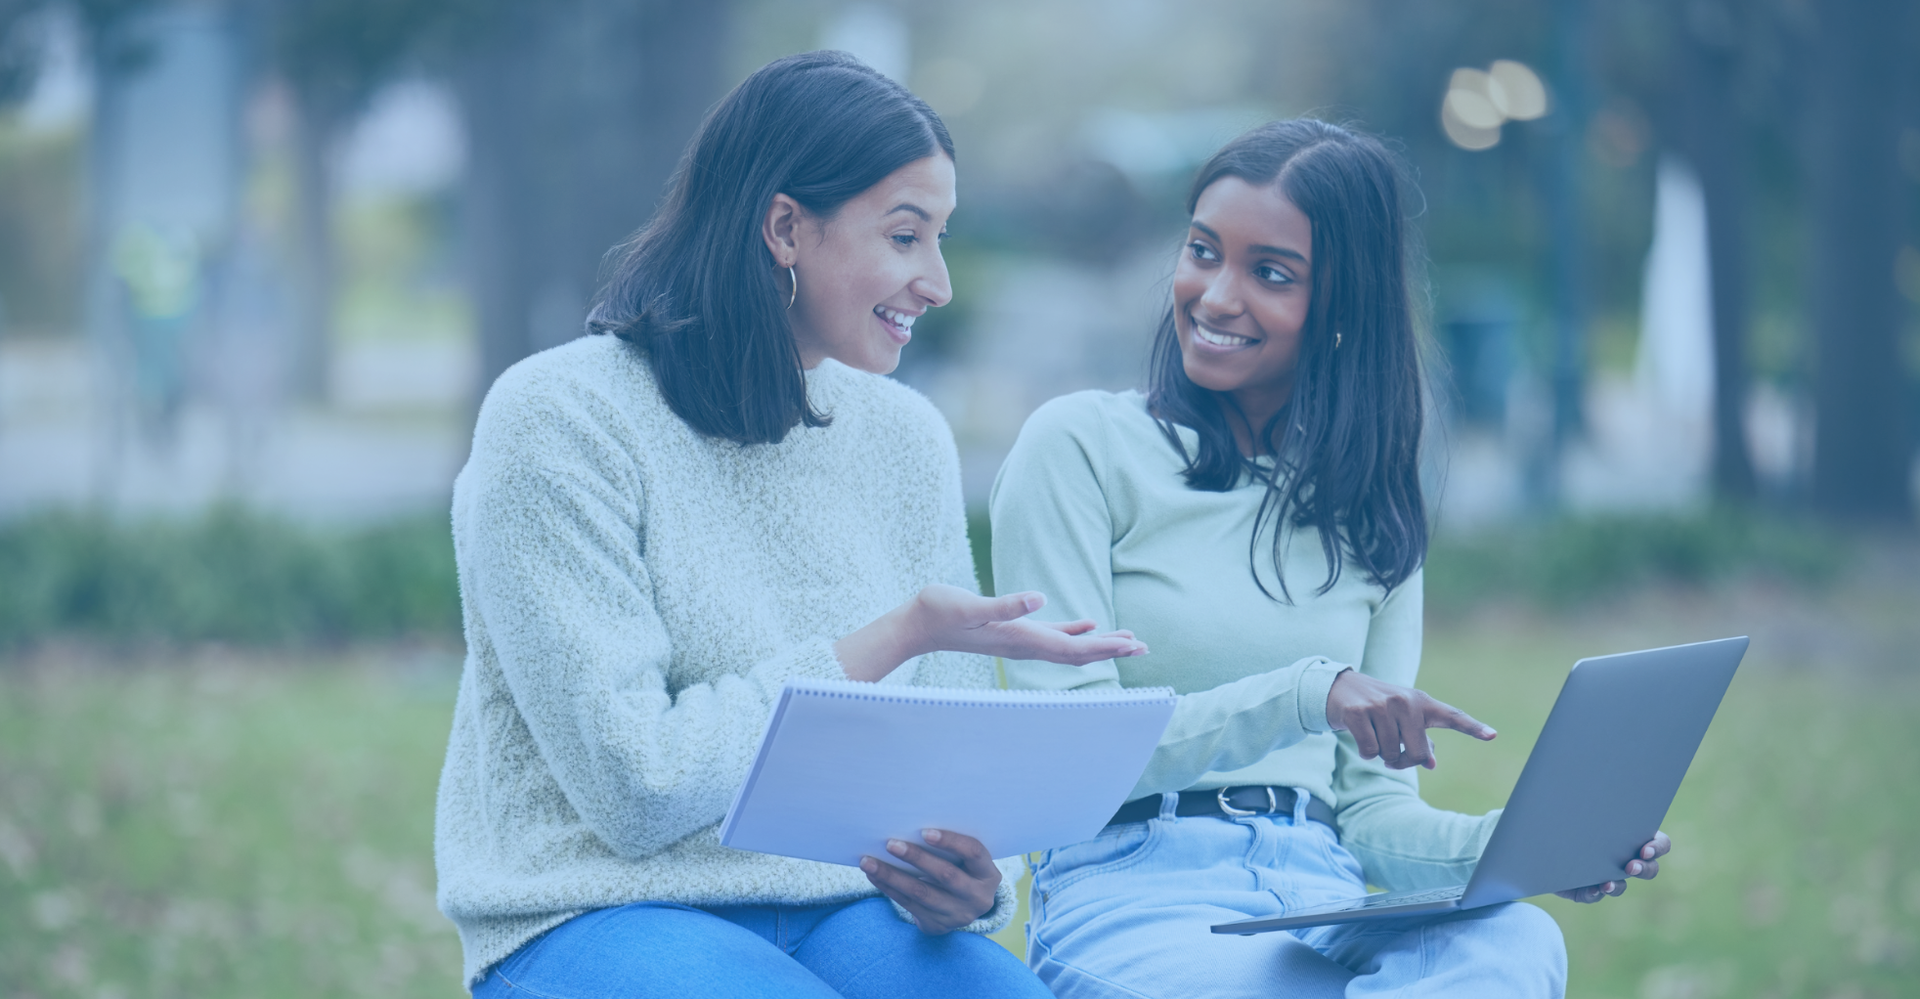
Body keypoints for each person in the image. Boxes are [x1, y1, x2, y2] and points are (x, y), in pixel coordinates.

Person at [435, 51, 1146, 999]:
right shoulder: (560, 418)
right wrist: (893, 638)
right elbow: (635, 787)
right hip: (598, 906)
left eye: (941, 237)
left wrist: (971, 880)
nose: (935, 281)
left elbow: (947, 763)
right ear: (784, 228)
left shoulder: (904, 435)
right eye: (905, 236)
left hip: (850, 909)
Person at [989, 119, 1669, 998]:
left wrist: (1533, 844)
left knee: (1516, 944)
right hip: (1134, 886)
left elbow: (1372, 812)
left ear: (1346, 307)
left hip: (1319, 890)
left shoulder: (1372, 505)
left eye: (1270, 273)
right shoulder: (1080, 446)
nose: (1215, 295)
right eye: (1203, 251)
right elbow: (1065, 757)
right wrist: (1307, 692)